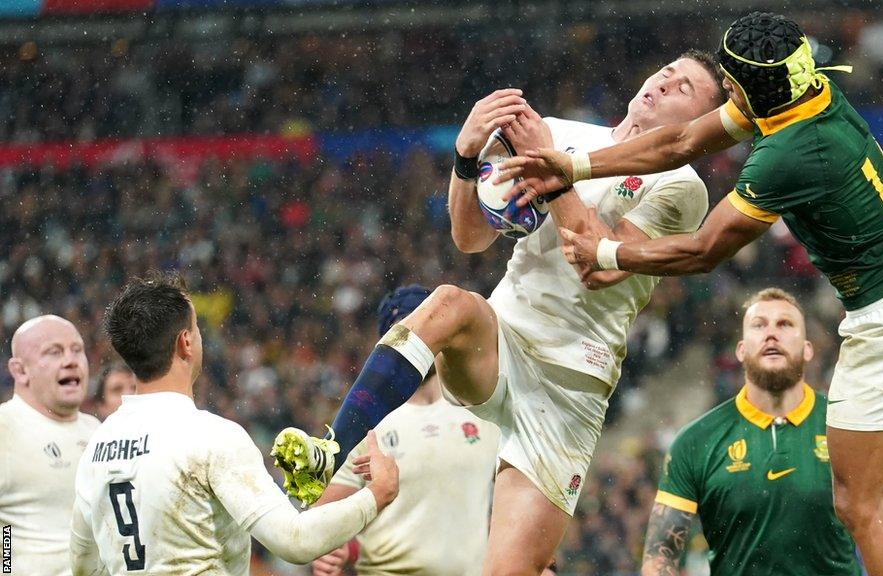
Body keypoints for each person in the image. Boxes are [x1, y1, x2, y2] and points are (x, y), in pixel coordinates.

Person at [500, 11, 883, 576]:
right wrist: (574, 165)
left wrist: (608, 253)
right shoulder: (807, 90)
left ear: (753, 92)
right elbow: (677, 142)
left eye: (729, 83)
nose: (724, 89)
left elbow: (704, 250)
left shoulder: (785, 155)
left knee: (860, 503)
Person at [271, 50, 726, 575]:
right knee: (447, 303)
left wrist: (553, 171)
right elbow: (469, 238)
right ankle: (330, 450)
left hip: (568, 383)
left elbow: (598, 266)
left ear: (697, 124)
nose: (663, 84)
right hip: (504, 335)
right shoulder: (557, 130)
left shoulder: (681, 185)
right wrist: (465, 161)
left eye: (683, 89)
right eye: (665, 73)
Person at [70, 273, 399, 575]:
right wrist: (376, 494)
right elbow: (295, 541)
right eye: (197, 328)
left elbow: (83, 567)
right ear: (186, 342)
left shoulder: (96, 448)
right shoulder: (211, 436)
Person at [642, 288, 883, 576]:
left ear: (808, 348)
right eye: (759, 325)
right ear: (741, 350)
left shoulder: (851, 427)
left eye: (785, 324)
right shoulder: (696, 441)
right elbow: (660, 555)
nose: (771, 334)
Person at [311, 285, 500, 576]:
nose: (421, 345)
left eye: (429, 331)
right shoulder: (366, 421)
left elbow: (504, 505)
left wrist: (541, 563)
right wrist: (337, 549)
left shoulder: (482, 409)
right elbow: (322, 516)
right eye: (408, 337)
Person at [0, 315, 99, 576]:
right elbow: (5, 535)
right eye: (54, 352)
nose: (70, 360)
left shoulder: (97, 431)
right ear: (20, 370)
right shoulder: (4, 429)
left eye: (77, 350)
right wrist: (6, 566)